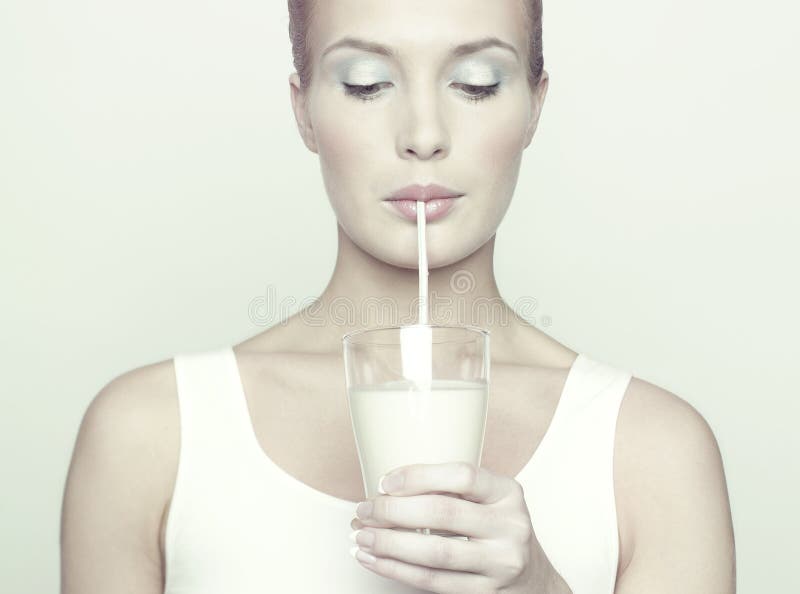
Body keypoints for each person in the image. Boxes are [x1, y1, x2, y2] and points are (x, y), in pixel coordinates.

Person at [60, 0, 736, 592]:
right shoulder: (150, 436)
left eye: (475, 84)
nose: (423, 135)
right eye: (366, 84)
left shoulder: (651, 455)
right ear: (304, 112)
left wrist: (537, 591)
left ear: (534, 107)